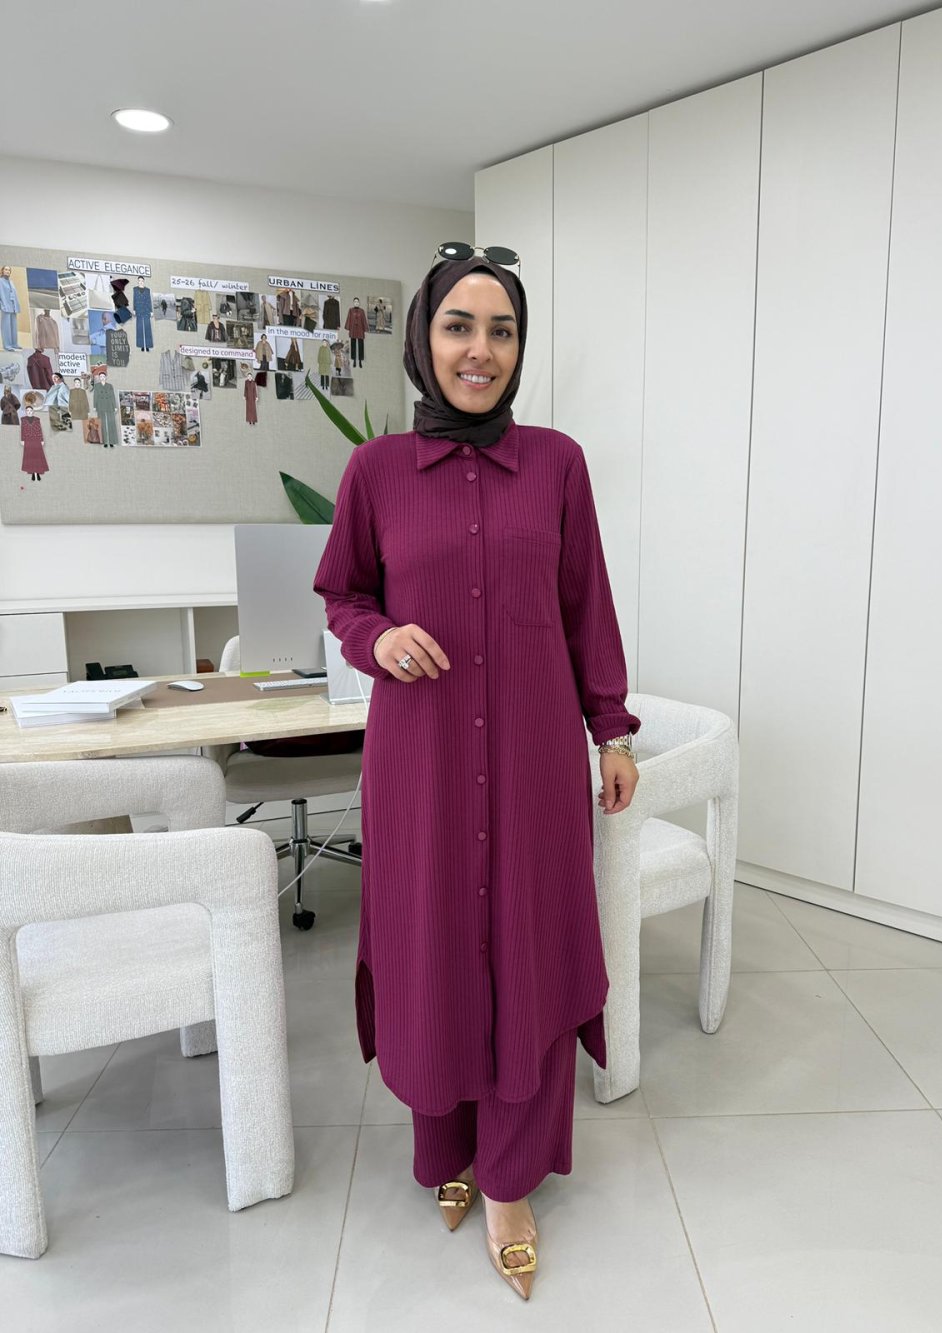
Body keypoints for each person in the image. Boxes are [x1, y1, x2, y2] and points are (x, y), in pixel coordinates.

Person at [314, 254, 640, 1301]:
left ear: (518, 349)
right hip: (422, 761)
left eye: (501, 331)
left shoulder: (558, 464)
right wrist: (376, 639)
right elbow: (343, 595)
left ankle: (508, 1179)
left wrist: (612, 729)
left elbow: (587, 603)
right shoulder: (374, 471)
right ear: (424, 336)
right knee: (435, 949)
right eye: (459, 325)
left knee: (529, 950)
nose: (479, 350)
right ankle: (445, 1147)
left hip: (536, 758)